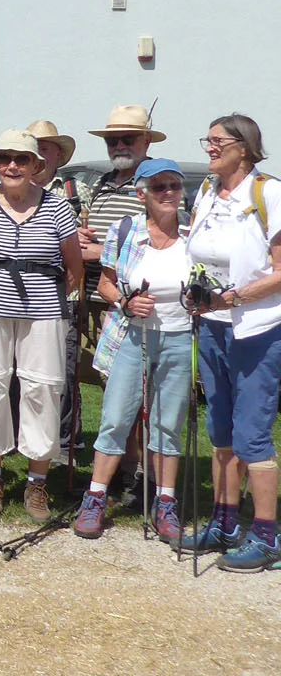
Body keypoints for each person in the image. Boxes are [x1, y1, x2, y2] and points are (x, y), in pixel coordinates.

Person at [0, 130, 82, 523]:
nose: (12, 166)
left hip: (44, 308)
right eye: (4, 158)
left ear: (36, 167)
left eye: (22, 159)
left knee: (43, 387)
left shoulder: (58, 207)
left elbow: (73, 267)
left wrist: (46, 295)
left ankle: (37, 482)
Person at [175, 114, 281, 572]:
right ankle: (224, 520)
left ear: (245, 147)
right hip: (214, 325)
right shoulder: (205, 193)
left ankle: (267, 536)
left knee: (252, 434)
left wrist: (233, 296)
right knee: (219, 429)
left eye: (218, 141)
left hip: (258, 328)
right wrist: (195, 293)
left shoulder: (268, 193)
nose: (210, 148)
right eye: (209, 140)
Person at [75, 159, 193, 540]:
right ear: (142, 194)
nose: (169, 193)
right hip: (132, 336)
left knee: (167, 424)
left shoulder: (195, 234)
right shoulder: (125, 231)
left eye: (174, 185)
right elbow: (106, 283)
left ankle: (166, 503)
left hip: (179, 337)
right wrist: (126, 302)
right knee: (115, 418)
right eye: (159, 187)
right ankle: (95, 498)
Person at [79, 105, 162, 499]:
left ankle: (140, 473)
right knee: (112, 392)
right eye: (114, 139)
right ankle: (117, 470)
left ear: (146, 141)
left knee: (140, 394)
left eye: (128, 138)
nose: (120, 145)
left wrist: (97, 251)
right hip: (101, 299)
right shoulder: (101, 184)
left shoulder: (156, 184)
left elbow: (162, 239)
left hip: (136, 304)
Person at [26, 119, 86, 466]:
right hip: (14, 301)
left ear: (58, 155)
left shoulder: (77, 191)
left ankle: (65, 445)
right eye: (31, 148)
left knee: (60, 374)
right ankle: (27, 440)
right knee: (20, 377)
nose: (36, 156)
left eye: (44, 149)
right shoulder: (4, 189)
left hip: (64, 298)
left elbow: (88, 245)